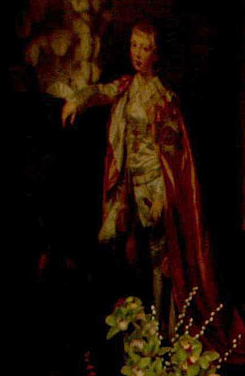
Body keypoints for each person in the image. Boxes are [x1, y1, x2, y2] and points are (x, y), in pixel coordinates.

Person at [62, 22, 219, 321]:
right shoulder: (126, 87)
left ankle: (161, 326)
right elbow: (100, 92)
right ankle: (129, 321)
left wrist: (162, 195)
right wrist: (77, 100)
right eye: (134, 45)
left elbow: (172, 158)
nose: (137, 53)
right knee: (123, 251)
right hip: (128, 183)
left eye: (145, 48)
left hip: (153, 185)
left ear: (156, 54)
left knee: (161, 256)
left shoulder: (164, 99)